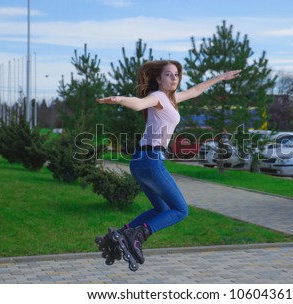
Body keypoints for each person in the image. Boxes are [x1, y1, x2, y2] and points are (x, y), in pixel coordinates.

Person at [96, 60, 241, 267]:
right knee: (180, 210)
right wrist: (119, 99)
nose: (174, 78)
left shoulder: (171, 99)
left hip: (140, 161)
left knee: (161, 209)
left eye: (176, 75)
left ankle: (120, 235)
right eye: (168, 75)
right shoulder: (158, 97)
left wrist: (221, 77)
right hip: (151, 161)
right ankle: (136, 237)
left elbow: (195, 91)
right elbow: (138, 103)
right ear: (158, 78)